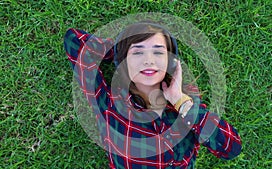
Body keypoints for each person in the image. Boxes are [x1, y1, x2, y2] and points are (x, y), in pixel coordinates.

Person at [64, 22, 242, 169]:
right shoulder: (108, 104)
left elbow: (230, 148)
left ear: (170, 61)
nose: (148, 60)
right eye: (138, 52)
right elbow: (74, 41)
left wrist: (179, 101)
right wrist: (118, 52)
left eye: (158, 52)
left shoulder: (187, 107)